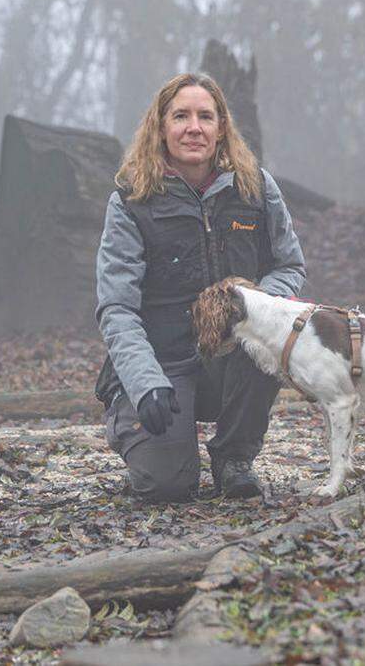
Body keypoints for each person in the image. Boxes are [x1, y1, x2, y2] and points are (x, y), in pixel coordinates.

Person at [94, 73, 306, 501]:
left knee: (262, 342)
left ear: (221, 127)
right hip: (160, 364)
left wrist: (256, 306)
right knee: (167, 486)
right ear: (161, 127)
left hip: (230, 355)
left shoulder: (257, 188)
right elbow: (117, 307)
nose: (194, 127)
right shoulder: (131, 201)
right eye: (181, 116)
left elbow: (289, 265)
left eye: (205, 116)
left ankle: (234, 457)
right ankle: (134, 423)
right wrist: (142, 380)